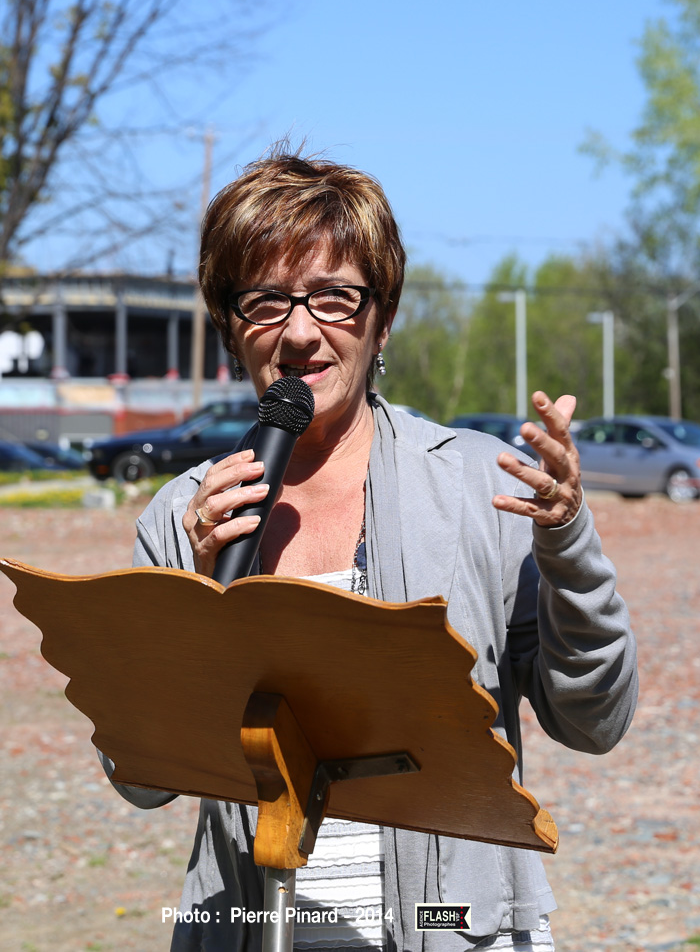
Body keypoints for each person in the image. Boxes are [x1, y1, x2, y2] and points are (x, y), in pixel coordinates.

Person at [99, 149, 638, 952]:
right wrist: (195, 598)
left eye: (334, 297)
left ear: (382, 320)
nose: (301, 331)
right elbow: (140, 778)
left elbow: (595, 719)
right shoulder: (185, 512)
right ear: (229, 325)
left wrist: (567, 542)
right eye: (266, 301)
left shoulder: (475, 485)